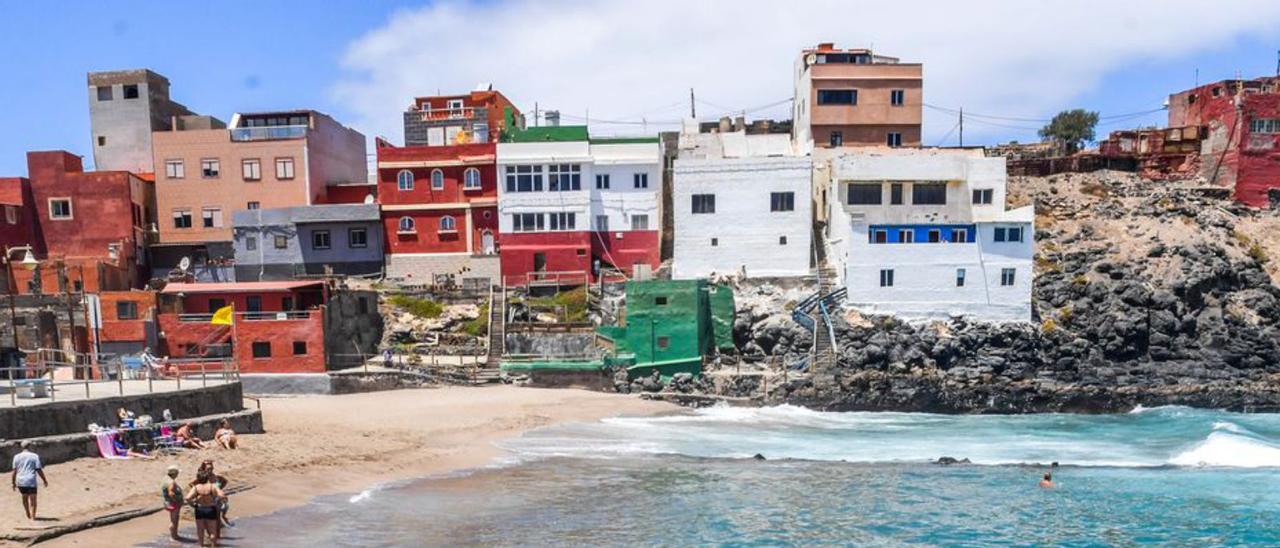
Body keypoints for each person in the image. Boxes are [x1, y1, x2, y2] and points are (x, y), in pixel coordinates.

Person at [10, 441, 49, 520]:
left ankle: (27, 512)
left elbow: (14, 471)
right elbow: (38, 469)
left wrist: (13, 483)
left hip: (21, 480)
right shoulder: (34, 456)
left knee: (24, 498)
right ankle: (33, 516)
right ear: (30, 446)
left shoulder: (16, 457)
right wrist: (44, 480)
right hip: (31, 480)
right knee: (33, 499)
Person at [185, 471, 224, 547]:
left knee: (200, 529)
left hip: (199, 509)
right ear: (207, 478)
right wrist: (216, 501)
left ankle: (201, 546)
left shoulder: (196, 487)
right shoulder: (212, 486)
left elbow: (187, 498)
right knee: (212, 530)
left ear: (198, 478)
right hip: (210, 508)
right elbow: (222, 495)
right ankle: (213, 545)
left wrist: (193, 504)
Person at [161, 465, 183, 541]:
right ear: (175, 473)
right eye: (177, 473)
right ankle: (173, 536)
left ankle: (175, 535)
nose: (178, 474)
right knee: (174, 520)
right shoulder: (171, 482)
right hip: (173, 503)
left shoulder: (165, 479)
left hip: (167, 502)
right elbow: (171, 493)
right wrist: (177, 501)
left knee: (173, 519)